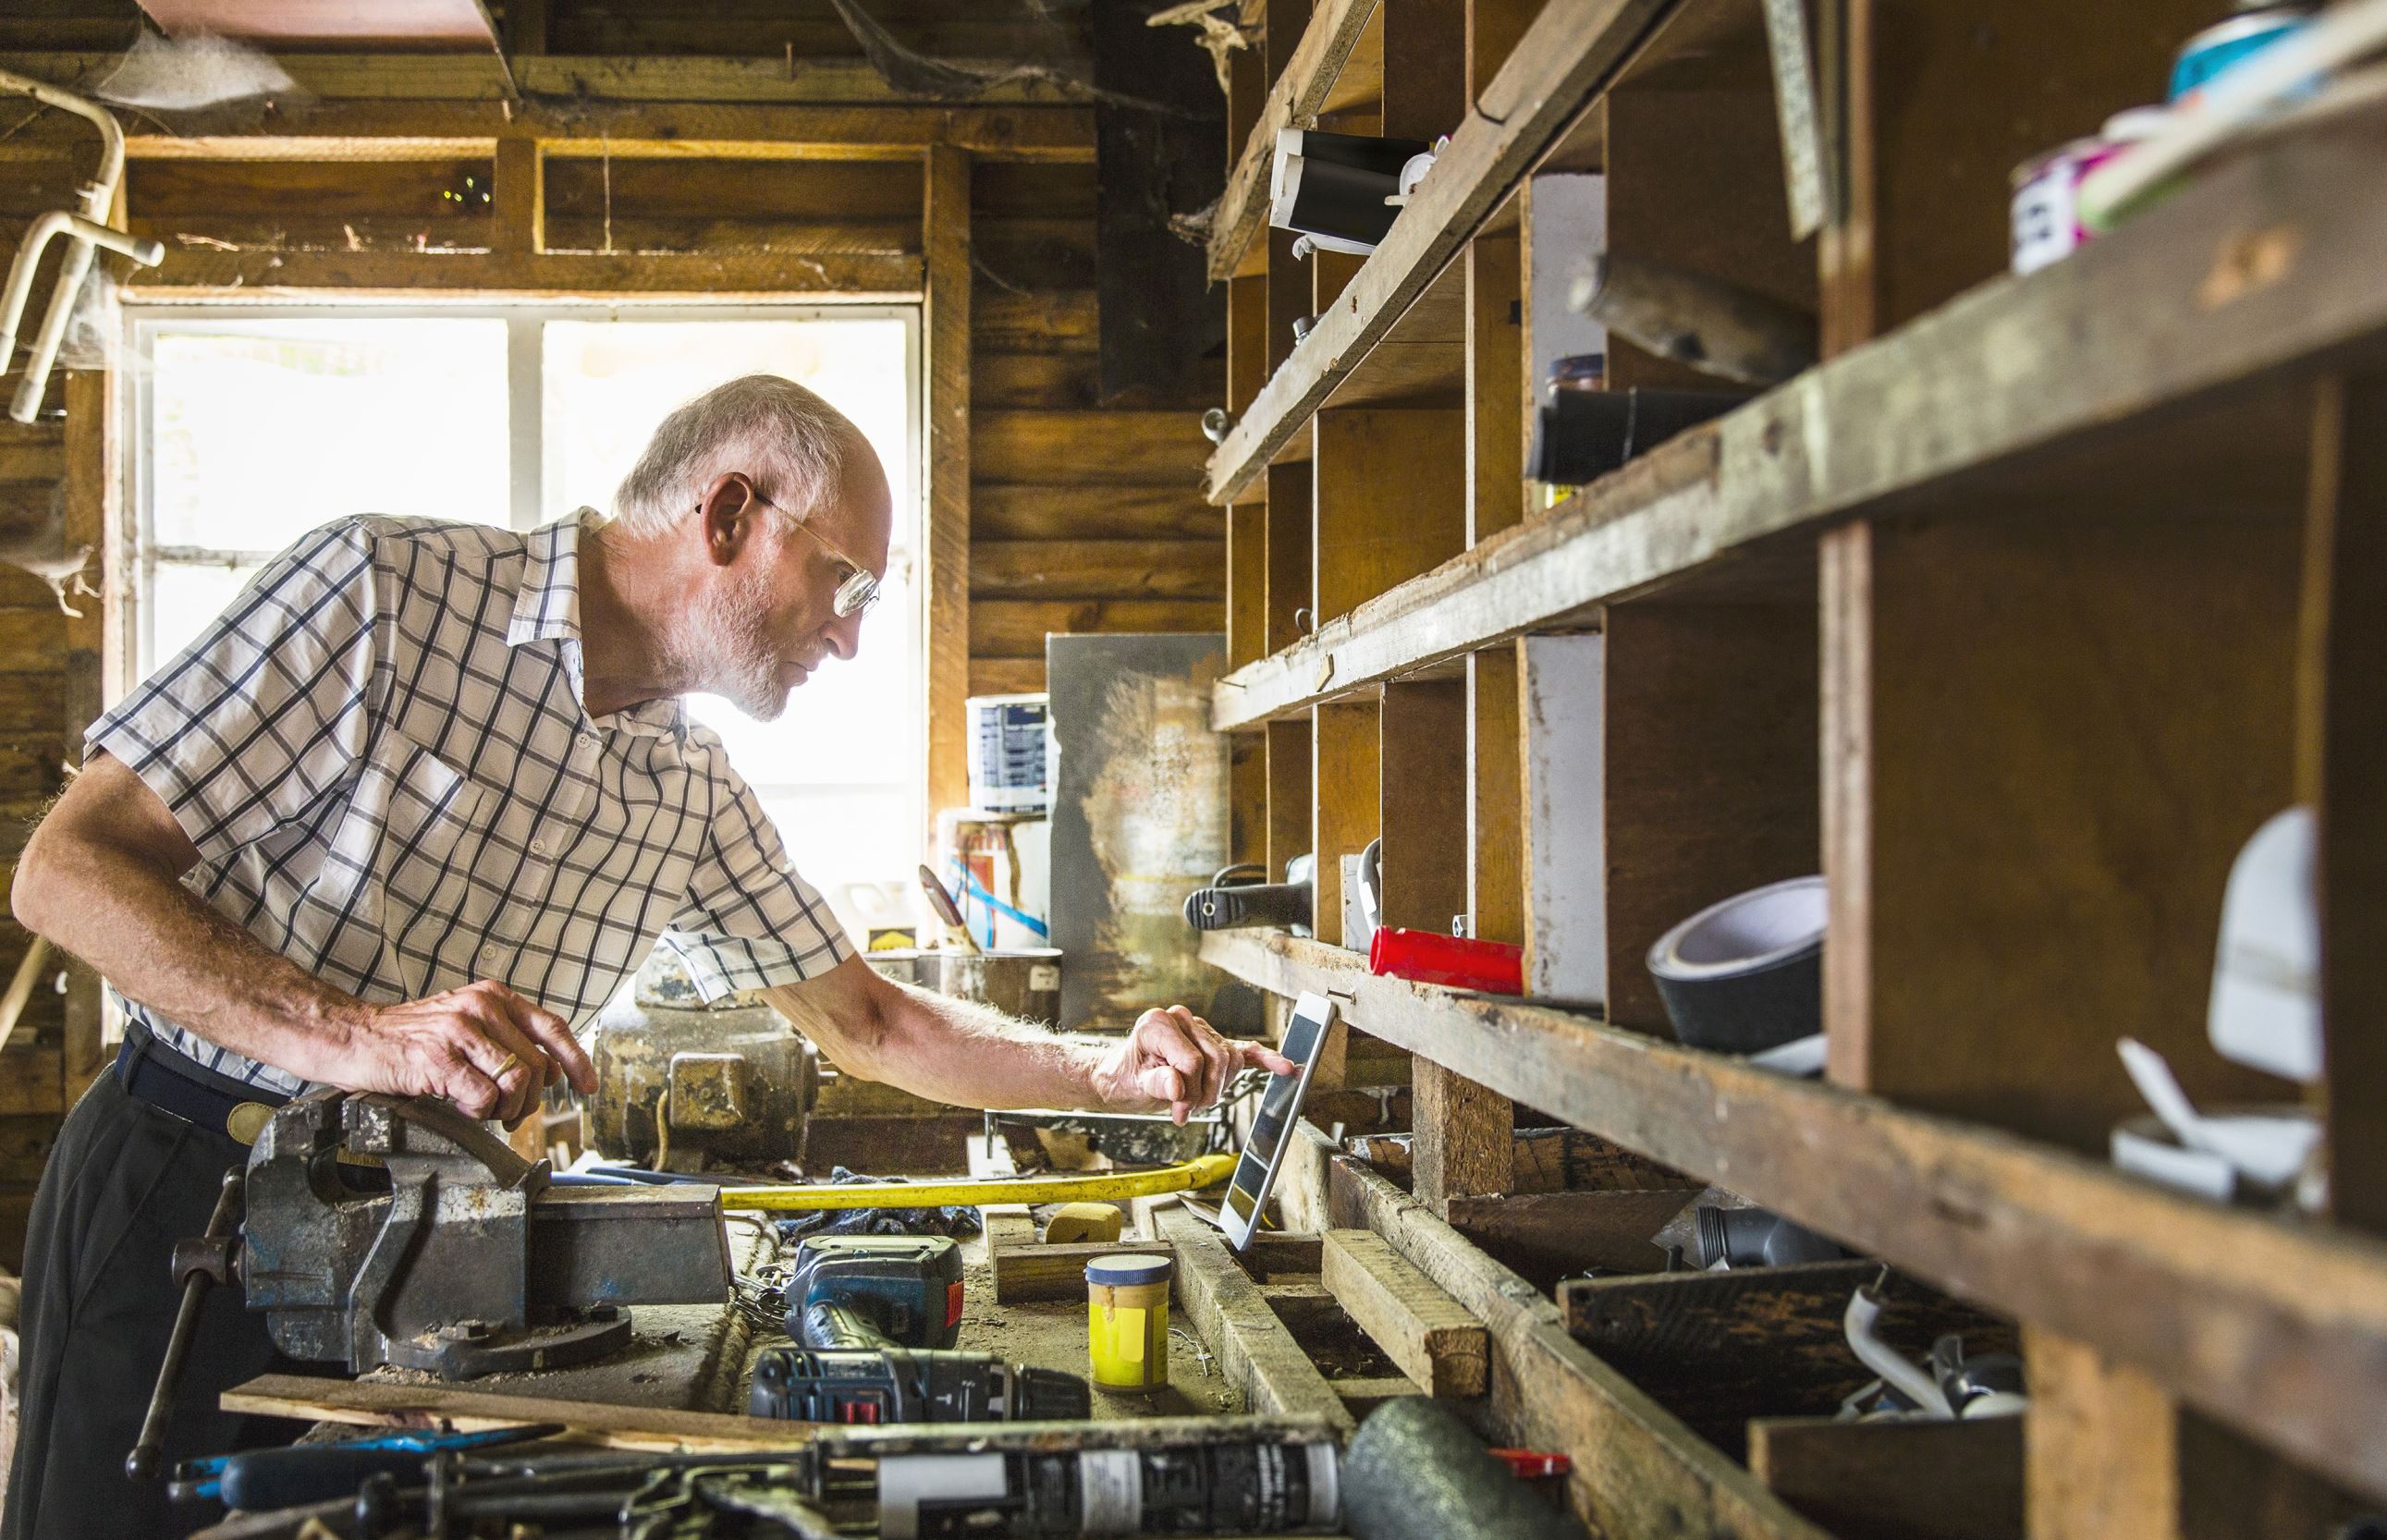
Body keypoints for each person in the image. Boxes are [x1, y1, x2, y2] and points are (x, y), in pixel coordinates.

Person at [1, 373, 1291, 1539]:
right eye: (845, 582)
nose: (847, 635)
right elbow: (66, 868)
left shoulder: (687, 785)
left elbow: (872, 1021)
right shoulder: (383, 593)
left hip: (426, 1262)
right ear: (729, 512)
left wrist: (1110, 1073)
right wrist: (359, 1035)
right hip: (192, 1193)